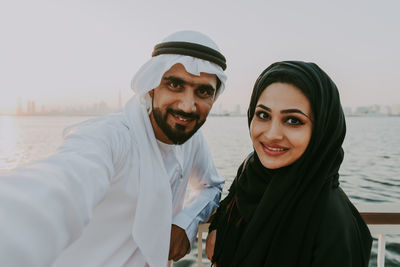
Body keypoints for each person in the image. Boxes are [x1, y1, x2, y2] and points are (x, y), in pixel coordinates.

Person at [0, 30, 227, 267]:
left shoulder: (192, 138)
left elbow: (211, 185)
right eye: (174, 84)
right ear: (151, 87)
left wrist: (186, 222)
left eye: (203, 91)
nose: (188, 106)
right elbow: (63, 186)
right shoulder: (112, 136)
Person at [205, 61, 372, 266]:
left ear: (321, 130)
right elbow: (234, 198)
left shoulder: (332, 223)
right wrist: (217, 226)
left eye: (293, 120)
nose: (272, 134)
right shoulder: (252, 174)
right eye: (263, 115)